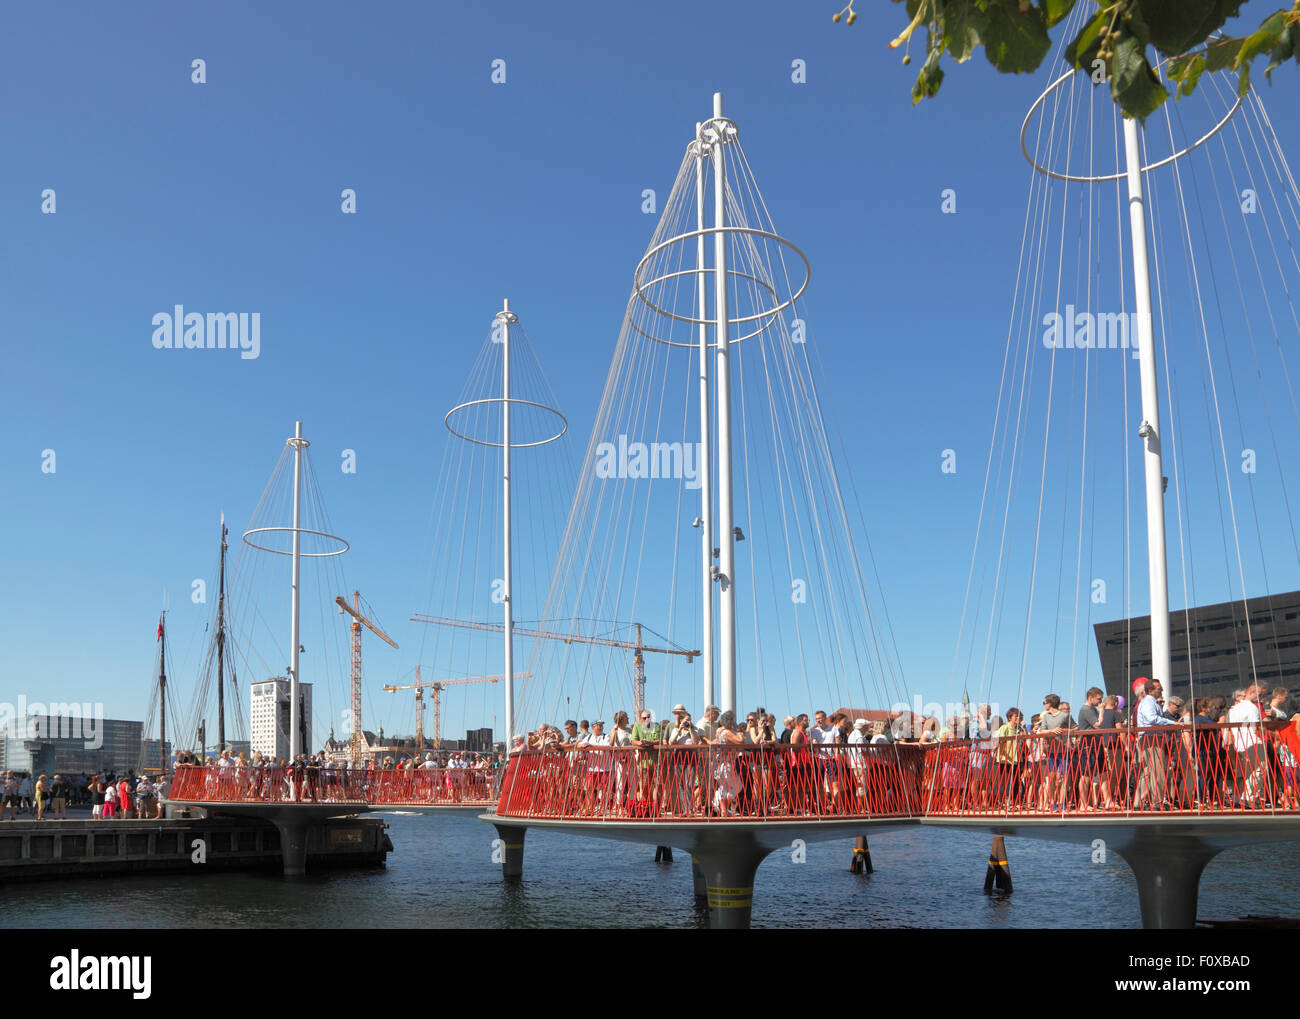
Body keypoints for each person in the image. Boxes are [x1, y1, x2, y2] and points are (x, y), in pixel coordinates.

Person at [1134, 677, 1179, 809]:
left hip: (1149, 738)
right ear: (1151, 690)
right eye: (1159, 689)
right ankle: (1157, 802)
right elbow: (1151, 718)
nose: (1162, 690)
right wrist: (1172, 723)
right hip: (1151, 738)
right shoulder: (1149, 702)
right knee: (1157, 771)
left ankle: (1139, 802)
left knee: (1148, 772)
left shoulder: (1148, 702)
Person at [1227, 683, 1268, 806]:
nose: (1261, 698)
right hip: (1252, 742)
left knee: (1243, 773)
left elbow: (1230, 729)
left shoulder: (1233, 709)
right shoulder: (1252, 708)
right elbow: (1257, 727)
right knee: (1260, 768)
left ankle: (1239, 799)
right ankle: (1248, 797)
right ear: (1252, 693)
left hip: (1239, 743)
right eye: (1260, 695)